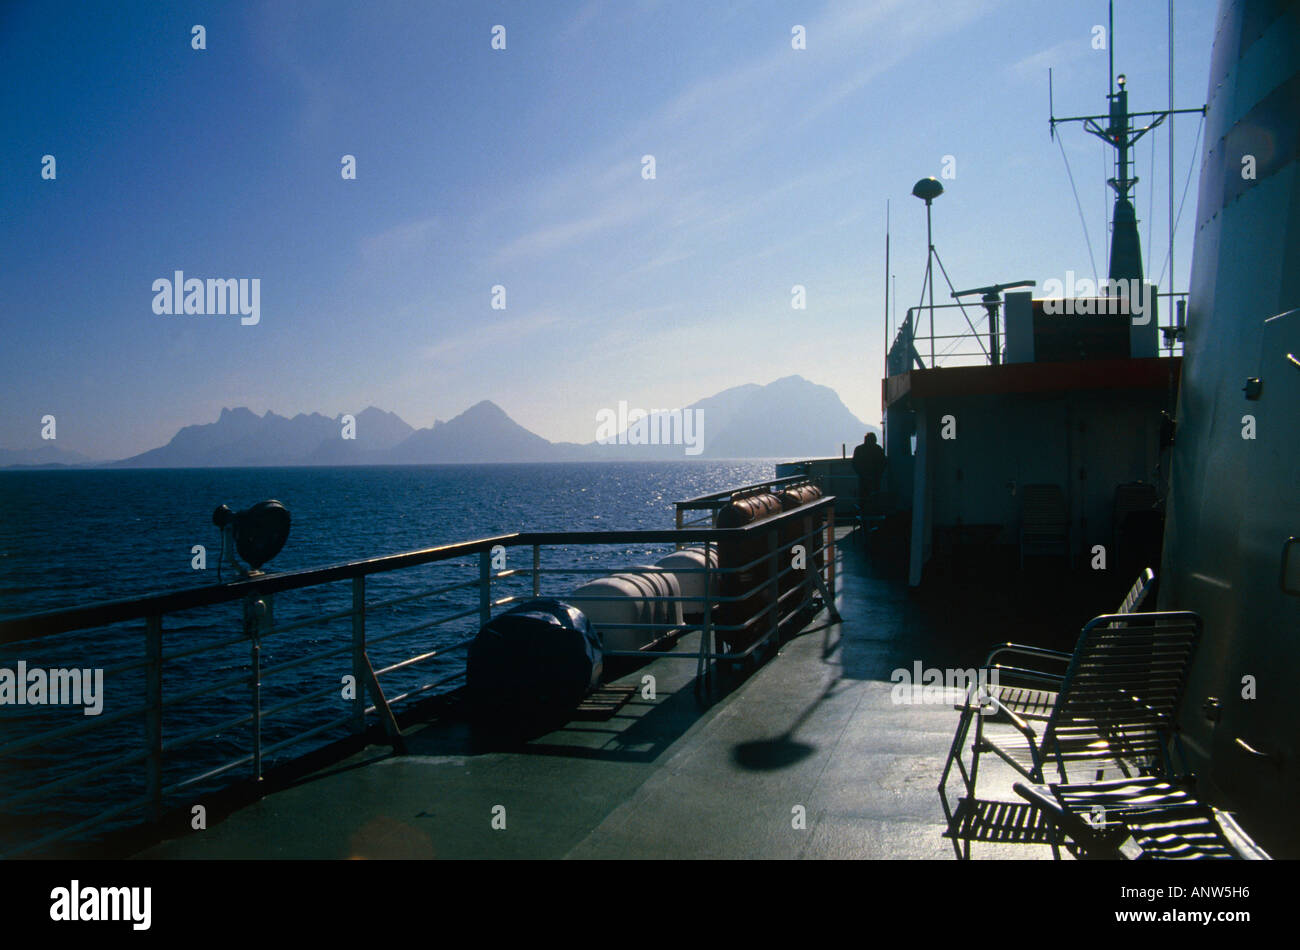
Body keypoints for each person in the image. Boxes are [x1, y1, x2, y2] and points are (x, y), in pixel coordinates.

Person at [852, 432, 886, 509]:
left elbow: (855, 463)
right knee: (875, 496)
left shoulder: (859, 449)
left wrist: (861, 474)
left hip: (863, 478)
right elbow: (883, 463)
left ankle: (863, 513)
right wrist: (878, 474)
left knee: (863, 496)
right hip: (875, 477)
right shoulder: (878, 449)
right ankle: (875, 511)